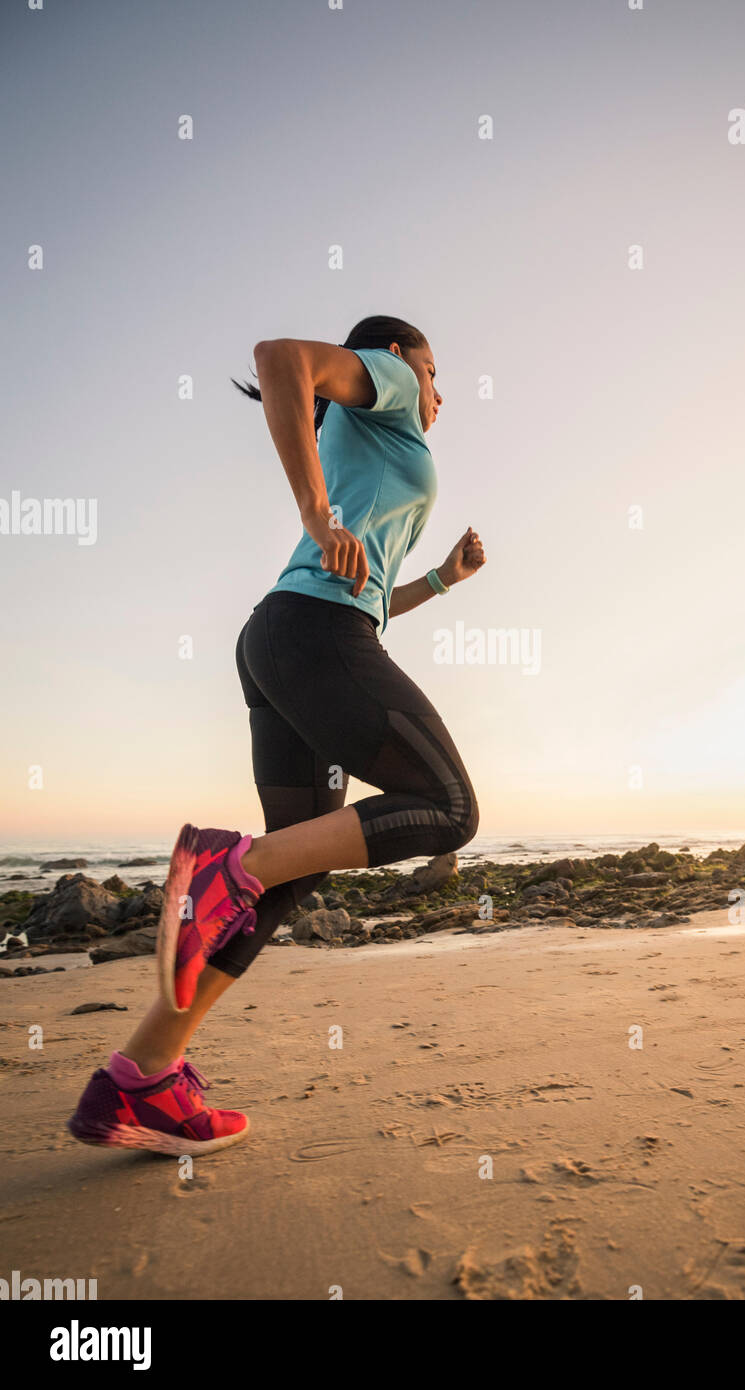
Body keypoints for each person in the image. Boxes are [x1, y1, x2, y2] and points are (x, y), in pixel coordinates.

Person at [67, 315, 485, 1155]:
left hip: (288, 640)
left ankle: (141, 1077)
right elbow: (280, 358)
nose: (440, 394)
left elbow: (363, 588)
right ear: (397, 359)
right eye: (436, 373)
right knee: (446, 807)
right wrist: (316, 510)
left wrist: (440, 579)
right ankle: (227, 866)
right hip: (312, 638)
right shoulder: (391, 390)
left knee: (289, 876)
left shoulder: (359, 442)